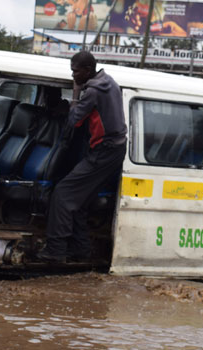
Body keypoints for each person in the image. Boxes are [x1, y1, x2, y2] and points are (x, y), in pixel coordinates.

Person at [37, 51, 127, 263]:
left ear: (87, 70)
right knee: (79, 201)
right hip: (112, 150)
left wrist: (76, 95)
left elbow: (74, 121)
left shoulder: (93, 91)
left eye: (75, 72)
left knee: (63, 194)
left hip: (104, 151)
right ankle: (81, 251)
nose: (73, 76)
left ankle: (56, 251)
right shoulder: (109, 82)